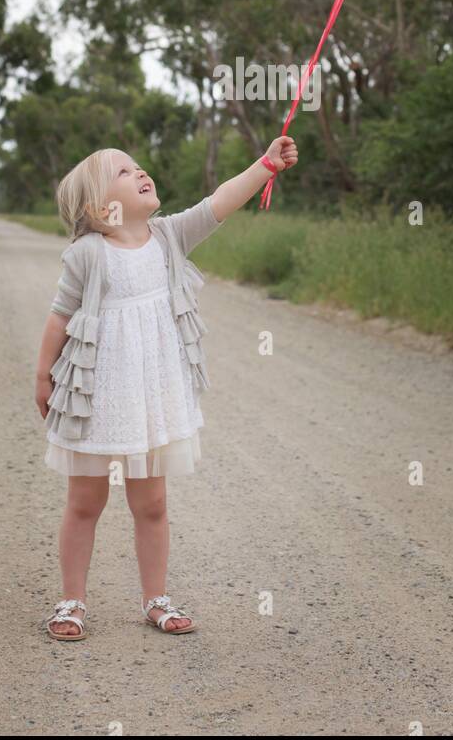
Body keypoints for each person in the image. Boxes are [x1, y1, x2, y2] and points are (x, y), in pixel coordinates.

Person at [35, 137, 297, 638]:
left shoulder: (170, 237)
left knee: (152, 504)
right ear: (98, 205)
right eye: (123, 173)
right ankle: (72, 601)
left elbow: (219, 201)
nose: (140, 173)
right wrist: (42, 374)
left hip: (151, 399)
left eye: (138, 167)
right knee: (85, 503)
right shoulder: (87, 255)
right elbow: (58, 317)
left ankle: (156, 598)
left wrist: (265, 165)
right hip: (97, 399)